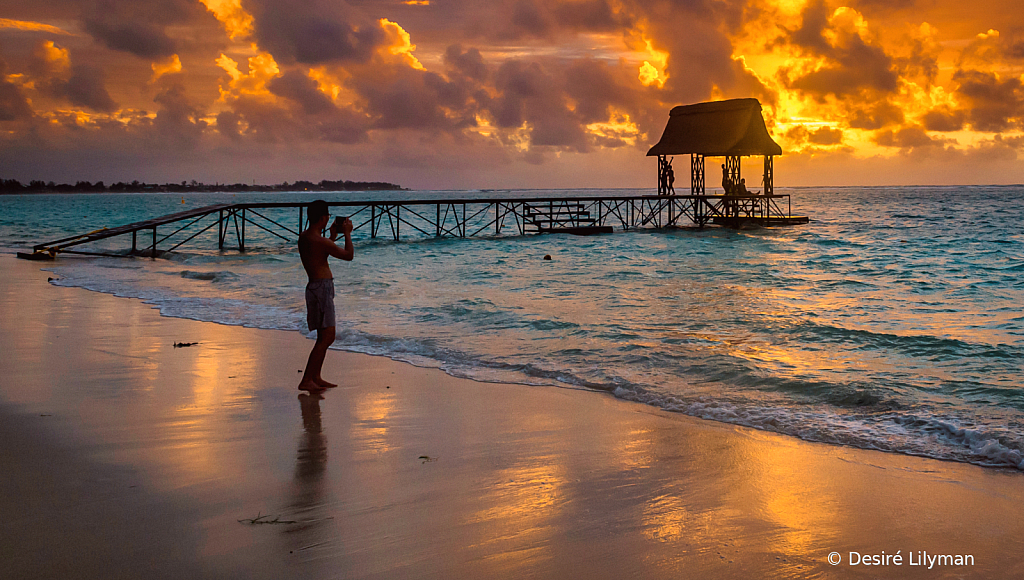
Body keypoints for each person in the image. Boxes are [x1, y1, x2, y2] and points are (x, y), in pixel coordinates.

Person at [297, 200, 353, 392]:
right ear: (323, 218)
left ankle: (315, 377)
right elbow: (348, 255)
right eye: (327, 217)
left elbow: (321, 252)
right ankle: (307, 379)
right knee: (327, 337)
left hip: (315, 287)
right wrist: (347, 235)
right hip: (321, 289)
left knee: (323, 335)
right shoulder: (320, 241)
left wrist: (331, 237)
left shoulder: (305, 237)